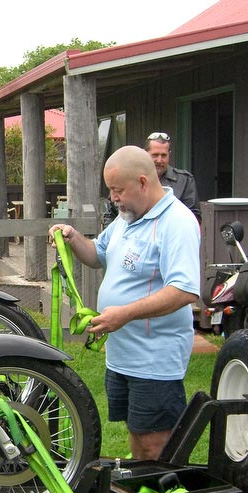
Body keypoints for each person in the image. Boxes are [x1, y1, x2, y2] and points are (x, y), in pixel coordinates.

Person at [50, 145, 200, 460]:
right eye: (110, 190)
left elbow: (184, 291)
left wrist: (125, 315)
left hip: (154, 358)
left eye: (118, 190)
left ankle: (163, 488)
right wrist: (72, 237)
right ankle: (143, 487)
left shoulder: (177, 222)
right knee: (138, 432)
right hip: (123, 356)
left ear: (143, 182)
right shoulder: (127, 218)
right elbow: (98, 254)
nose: (113, 197)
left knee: (154, 442)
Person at [102, 132, 201, 226]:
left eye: (164, 155)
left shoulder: (184, 180)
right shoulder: (131, 177)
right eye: (155, 155)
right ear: (145, 154)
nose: (159, 160)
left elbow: (194, 218)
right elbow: (111, 213)